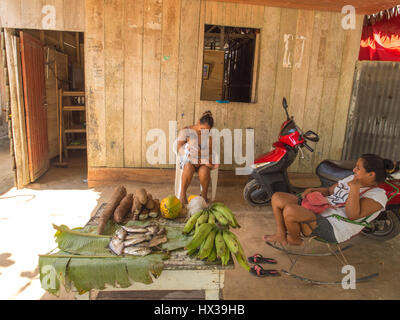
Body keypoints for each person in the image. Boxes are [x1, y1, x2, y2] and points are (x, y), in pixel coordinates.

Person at [263, 154, 394, 246]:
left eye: (358, 168)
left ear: (371, 175)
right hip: (320, 208)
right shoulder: (351, 178)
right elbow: (329, 191)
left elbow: (352, 215)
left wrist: (355, 189)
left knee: (290, 210)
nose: (354, 170)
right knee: (278, 197)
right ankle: (281, 234)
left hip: (333, 227)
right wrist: (313, 190)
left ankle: (294, 239)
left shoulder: (377, 196)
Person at [176, 111, 219, 205]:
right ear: (198, 122)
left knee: (205, 170)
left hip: (201, 159)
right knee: (188, 167)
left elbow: (210, 150)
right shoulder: (185, 131)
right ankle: (182, 196)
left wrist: (199, 158)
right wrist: (192, 157)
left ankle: (203, 196)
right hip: (188, 159)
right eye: (202, 128)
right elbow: (179, 148)